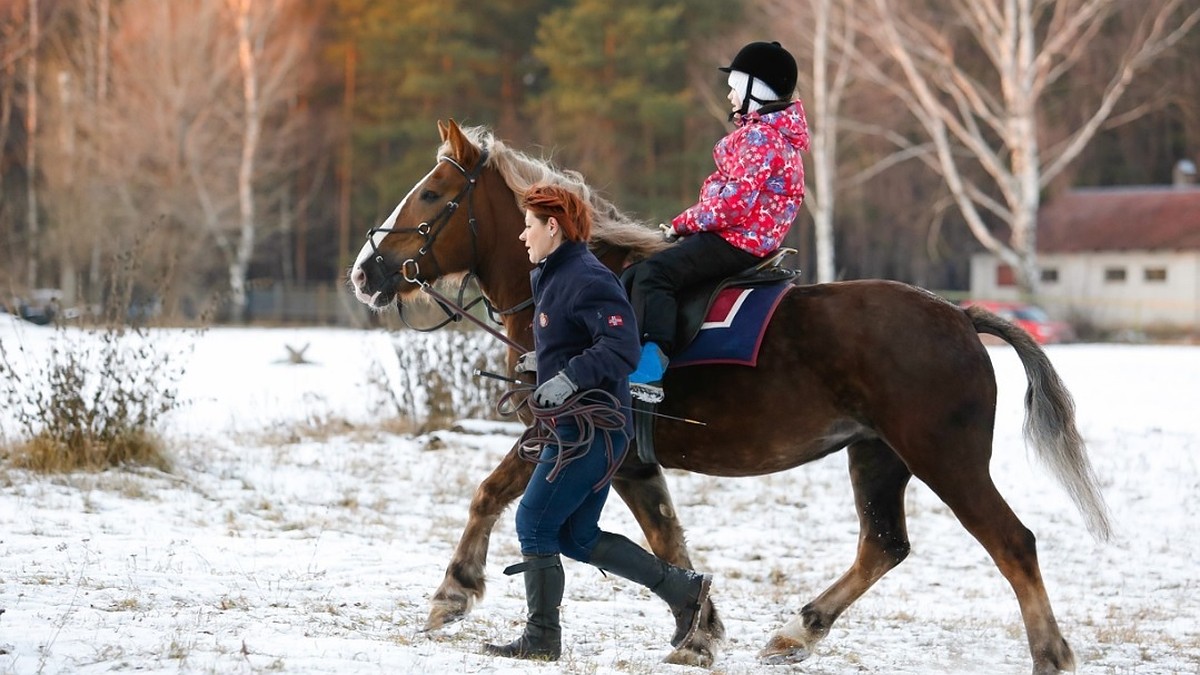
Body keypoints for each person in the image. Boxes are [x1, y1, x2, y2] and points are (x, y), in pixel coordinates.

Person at [483, 183, 713, 661]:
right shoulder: (552, 275)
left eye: (528, 226)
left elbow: (621, 348)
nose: (522, 237)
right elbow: (575, 339)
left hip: (592, 431)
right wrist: (542, 366)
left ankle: (542, 638)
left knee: (534, 523)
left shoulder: (589, 277)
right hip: (573, 429)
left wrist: (567, 379)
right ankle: (682, 590)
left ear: (553, 227)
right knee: (574, 535)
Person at [626, 40, 809, 398]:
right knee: (634, 271)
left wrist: (682, 223)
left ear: (757, 91)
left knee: (652, 273)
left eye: (734, 87)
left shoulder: (759, 137)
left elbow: (733, 206)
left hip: (736, 240)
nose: (728, 95)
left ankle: (650, 364)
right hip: (744, 238)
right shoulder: (773, 137)